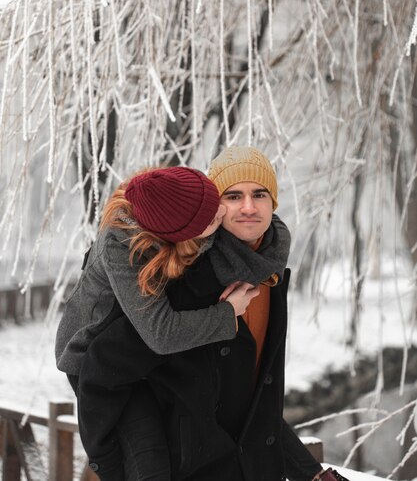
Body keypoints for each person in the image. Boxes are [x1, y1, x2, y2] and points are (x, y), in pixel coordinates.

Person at [75, 147, 348, 481]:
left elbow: (256, 396)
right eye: (233, 196)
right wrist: (112, 462)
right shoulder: (180, 280)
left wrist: (312, 474)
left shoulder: (269, 274)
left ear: (273, 202)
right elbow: (103, 367)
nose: (248, 207)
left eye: (259, 194)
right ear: (215, 208)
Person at [56, 163, 290, 479]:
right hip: (95, 361)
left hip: (140, 358)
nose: (221, 212)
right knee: (147, 463)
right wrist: (227, 313)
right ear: (180, 232)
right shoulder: (122, 247)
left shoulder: (169, 202)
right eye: (212, 216)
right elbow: (161, 334)